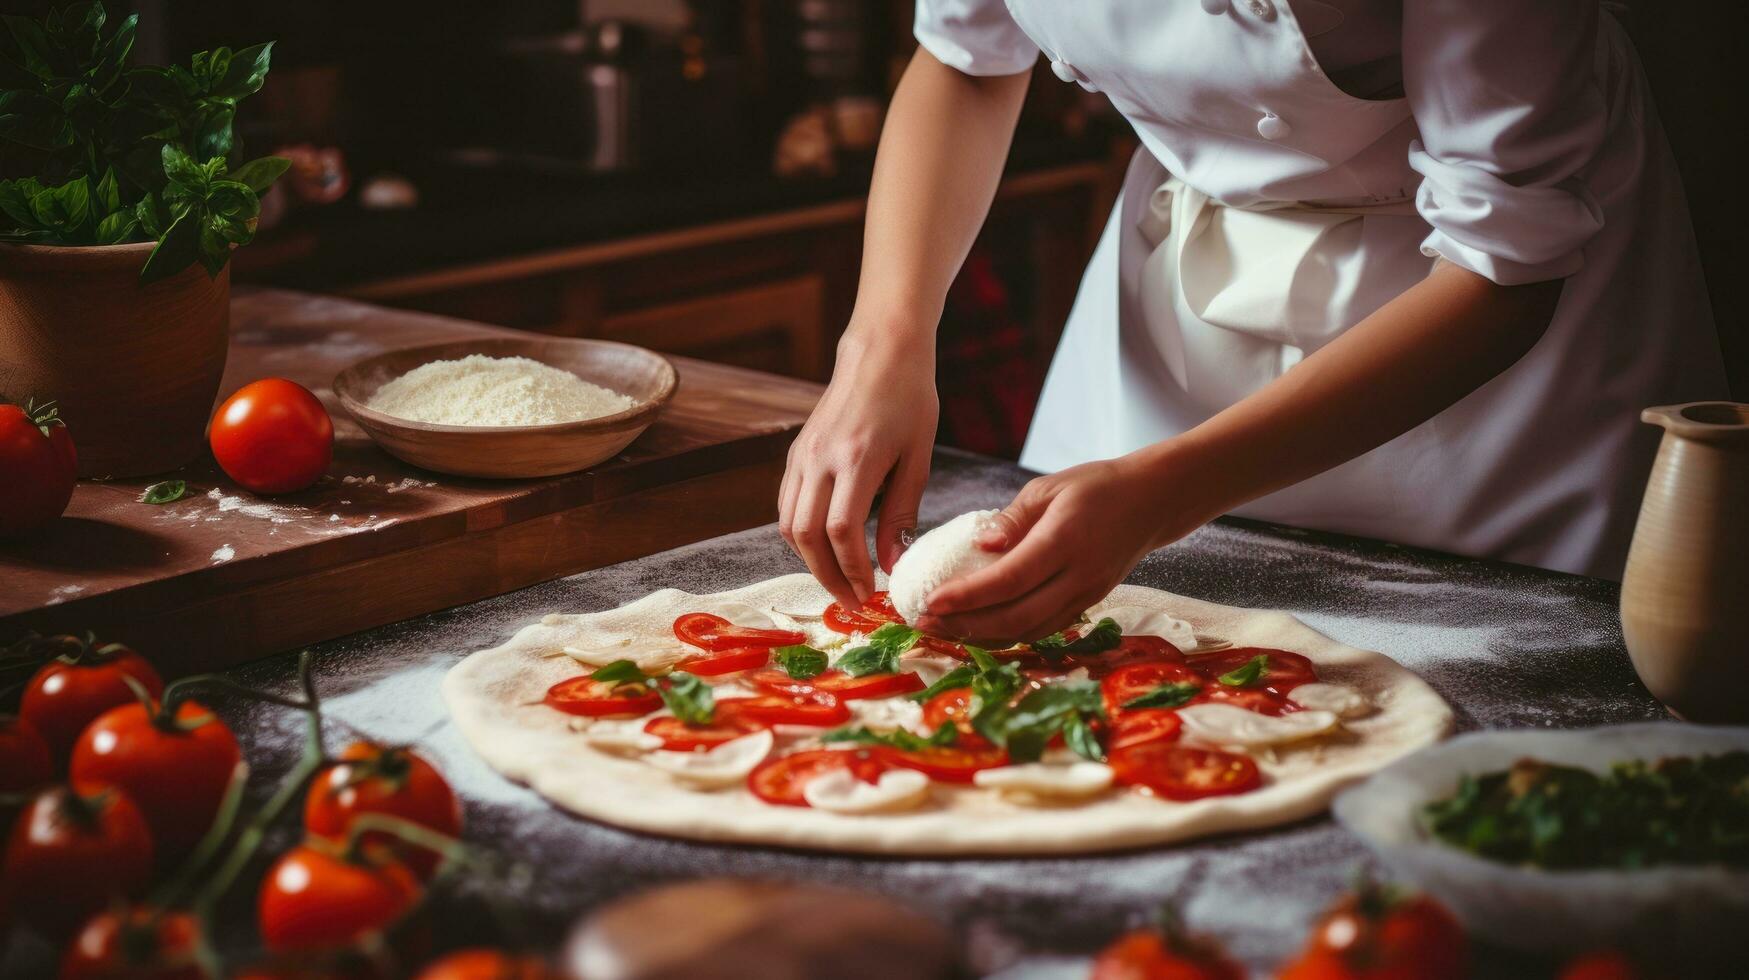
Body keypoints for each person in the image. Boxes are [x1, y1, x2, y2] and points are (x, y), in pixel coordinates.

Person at [778, 0, 1728, 643]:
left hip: (1477, 325)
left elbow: (1503, 269)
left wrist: (1164, 493)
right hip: (1183, 262)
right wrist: (882, 341)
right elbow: (968, 60)